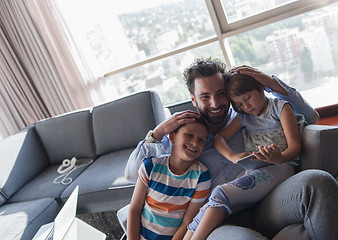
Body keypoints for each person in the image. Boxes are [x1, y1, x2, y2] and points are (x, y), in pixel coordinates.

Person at [125, 58, 337, 239]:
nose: (215, 103)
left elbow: (311, 117)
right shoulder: (184, 136)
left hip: (270, 201)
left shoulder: (247, 115)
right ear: (193, 99)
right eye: (205, 97)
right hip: (219, 221)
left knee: (318, 181)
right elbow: (132, 174)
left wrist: (270, 83)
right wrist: (158, 132)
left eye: (220, 93)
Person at [183, 72, 303, 239]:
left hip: (282, 167)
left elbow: (295, 146)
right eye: (239, 104)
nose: (246, 106)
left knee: (220, 193)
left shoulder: (280, 108)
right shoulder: (244, 117)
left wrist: (280, 158)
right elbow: (219, 139)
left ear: (261, 88)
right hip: (257, 169)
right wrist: (234, 156)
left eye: (248, 98)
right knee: (213, 200)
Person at [127, 118, 211, 240]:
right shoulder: (150, 166)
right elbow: (134, 209)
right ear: (172, 137)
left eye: (201, 140)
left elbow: (188, 222)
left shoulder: (202, 177)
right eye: (189, 135)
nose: (195, 143)